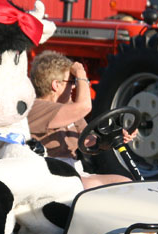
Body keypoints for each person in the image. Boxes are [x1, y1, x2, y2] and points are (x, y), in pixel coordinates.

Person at [28, 50, 136, 189]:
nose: (74, 86)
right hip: (50, 172)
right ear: (56, 85)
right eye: (72, 81)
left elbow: (88, 141)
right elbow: (85, 106)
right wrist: (81, 73)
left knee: (126, 183)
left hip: (74, 170)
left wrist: (113, 137)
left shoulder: (68, 107)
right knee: (101, 188)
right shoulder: (37, 108)